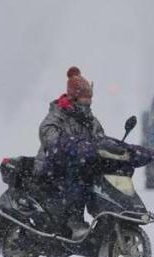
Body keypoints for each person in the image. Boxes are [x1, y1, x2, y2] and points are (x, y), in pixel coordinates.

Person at [34, 66, 105, 239]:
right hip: (52, 167)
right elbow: (47, 134)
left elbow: (101, 139)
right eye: (83, 101)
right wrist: (68, 145)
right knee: (78, 177)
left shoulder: (91, 121)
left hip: (76, 165)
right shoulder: (58, 115)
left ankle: (106, 218)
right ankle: (75, 221)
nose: (87, 106)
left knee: (98, 174)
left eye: (89, 101)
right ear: (73, 99)